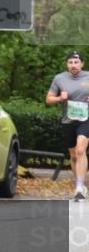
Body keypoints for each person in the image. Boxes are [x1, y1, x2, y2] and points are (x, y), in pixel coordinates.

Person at [46, 50, 89, 201]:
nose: (74, 65)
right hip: (68, 121)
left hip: (86, 119)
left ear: (82, 63)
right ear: (67, 64)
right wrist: (59, 98)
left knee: (80, 149)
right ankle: (80, 183)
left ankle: (79, 187)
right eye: (70, 62)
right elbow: (48, 99)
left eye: (76, 62)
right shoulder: (60, 78)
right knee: (73, 155)